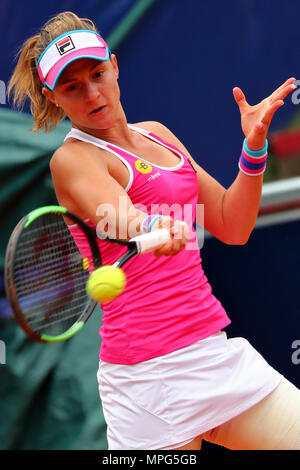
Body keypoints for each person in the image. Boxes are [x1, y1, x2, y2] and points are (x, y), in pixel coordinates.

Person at [8, 11, 300, 450]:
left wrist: (254, 150)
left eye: (97, 74)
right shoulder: (71, 160)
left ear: (114, 65)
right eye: (72, 87)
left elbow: (231, 223)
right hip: (145, 386)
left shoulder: (160, 136)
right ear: (54, 96)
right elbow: (117, 216)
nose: (92, 93)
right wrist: (149, 226)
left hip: (213, 357)